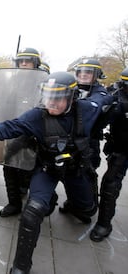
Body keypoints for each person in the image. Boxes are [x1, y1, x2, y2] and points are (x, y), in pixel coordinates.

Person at [0, 71, 114, 274]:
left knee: (87, 210)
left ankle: (74, 204)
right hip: (48, 169)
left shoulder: (87, 109)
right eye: (48, 96)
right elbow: (8, 128)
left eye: (58, 97)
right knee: (32, 212)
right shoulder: (36, 115)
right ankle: (21, 267)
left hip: (76, 170)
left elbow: (107, 98)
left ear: (72, 97)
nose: (52, 102)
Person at [59, 58, 109, 215]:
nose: (83, 75)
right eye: (80, 71)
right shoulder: (72, 88)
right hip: (71, 141)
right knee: (69, 173)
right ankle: (73, 202)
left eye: (88, 72)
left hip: (89, 142)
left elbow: (95, 105)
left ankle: (89, 207)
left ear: (97, 74)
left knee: (87, 175)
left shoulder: (100, 92)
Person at [0, 47, 43, 218]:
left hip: (34, 133)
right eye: (21, 61)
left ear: (35, 63)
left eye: (28, 60)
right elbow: (4, 101)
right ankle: (14, 203)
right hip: (14, 130)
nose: (24, 63)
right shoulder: (13, 81)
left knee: (31, 171)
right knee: (8, 166)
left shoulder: (43, 82)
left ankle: (37, 203)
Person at [89, 67, 128, 242]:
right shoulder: (117, 95)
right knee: (110, 185)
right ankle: (104, 223)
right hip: (121, 148)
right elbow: (97, 121)